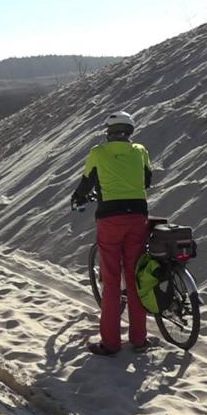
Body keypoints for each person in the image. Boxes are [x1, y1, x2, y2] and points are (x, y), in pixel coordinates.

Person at [70, 111, 155, 356]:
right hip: (138, 217)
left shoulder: (98, 152)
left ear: (109, 132)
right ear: (129, 132)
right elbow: (147, 180)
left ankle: (111, 343)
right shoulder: (140, 151)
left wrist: (78, 200)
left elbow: (86, 183)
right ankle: (139, 340)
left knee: (110, 281)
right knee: (134, 278)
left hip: (110, 219)